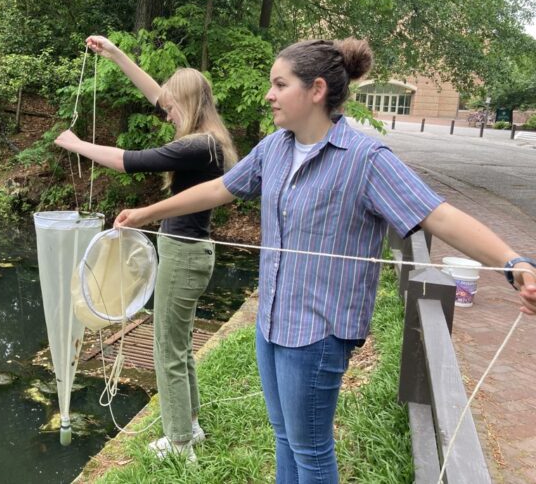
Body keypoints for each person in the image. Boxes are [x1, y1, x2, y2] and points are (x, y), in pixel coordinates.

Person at [113, 38, 536, 482]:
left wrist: (514, 263)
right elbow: (219, 189)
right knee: (283, 437)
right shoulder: (275, 148)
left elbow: (439, 215)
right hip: (271, 322)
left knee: (311, 451)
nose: (269, 94)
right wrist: (148, 212)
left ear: (316, 90)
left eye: (280, 84)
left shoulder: (366, 159)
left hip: (317, 334)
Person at [54, 35, 238, 463]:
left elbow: (128, 160)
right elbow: (157, 92)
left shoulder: (198, 145)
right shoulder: (207, 135)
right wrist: (116, 54)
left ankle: (178, 444)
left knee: (166, 348)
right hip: (190, 252)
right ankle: (188, 425)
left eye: (172, 107)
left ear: (189, 104)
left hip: (184, 253)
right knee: (179, 344)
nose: (166, 112)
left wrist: (76, 144)